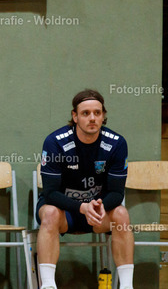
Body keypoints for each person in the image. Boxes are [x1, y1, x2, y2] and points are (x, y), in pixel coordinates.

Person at [36, 89, 134, 289]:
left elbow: (117, 193)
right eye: (85, 113)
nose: (92, 118)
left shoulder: (117, 143)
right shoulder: (55, 142)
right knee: (50, 213)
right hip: (64, 212)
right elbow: (50, 194)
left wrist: (98, 206)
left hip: (97, 213)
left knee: (122, 214)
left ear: (103, 115)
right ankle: (47, 285)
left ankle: (126, 286)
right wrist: (82, 207)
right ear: (75, 116)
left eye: (97, 113)